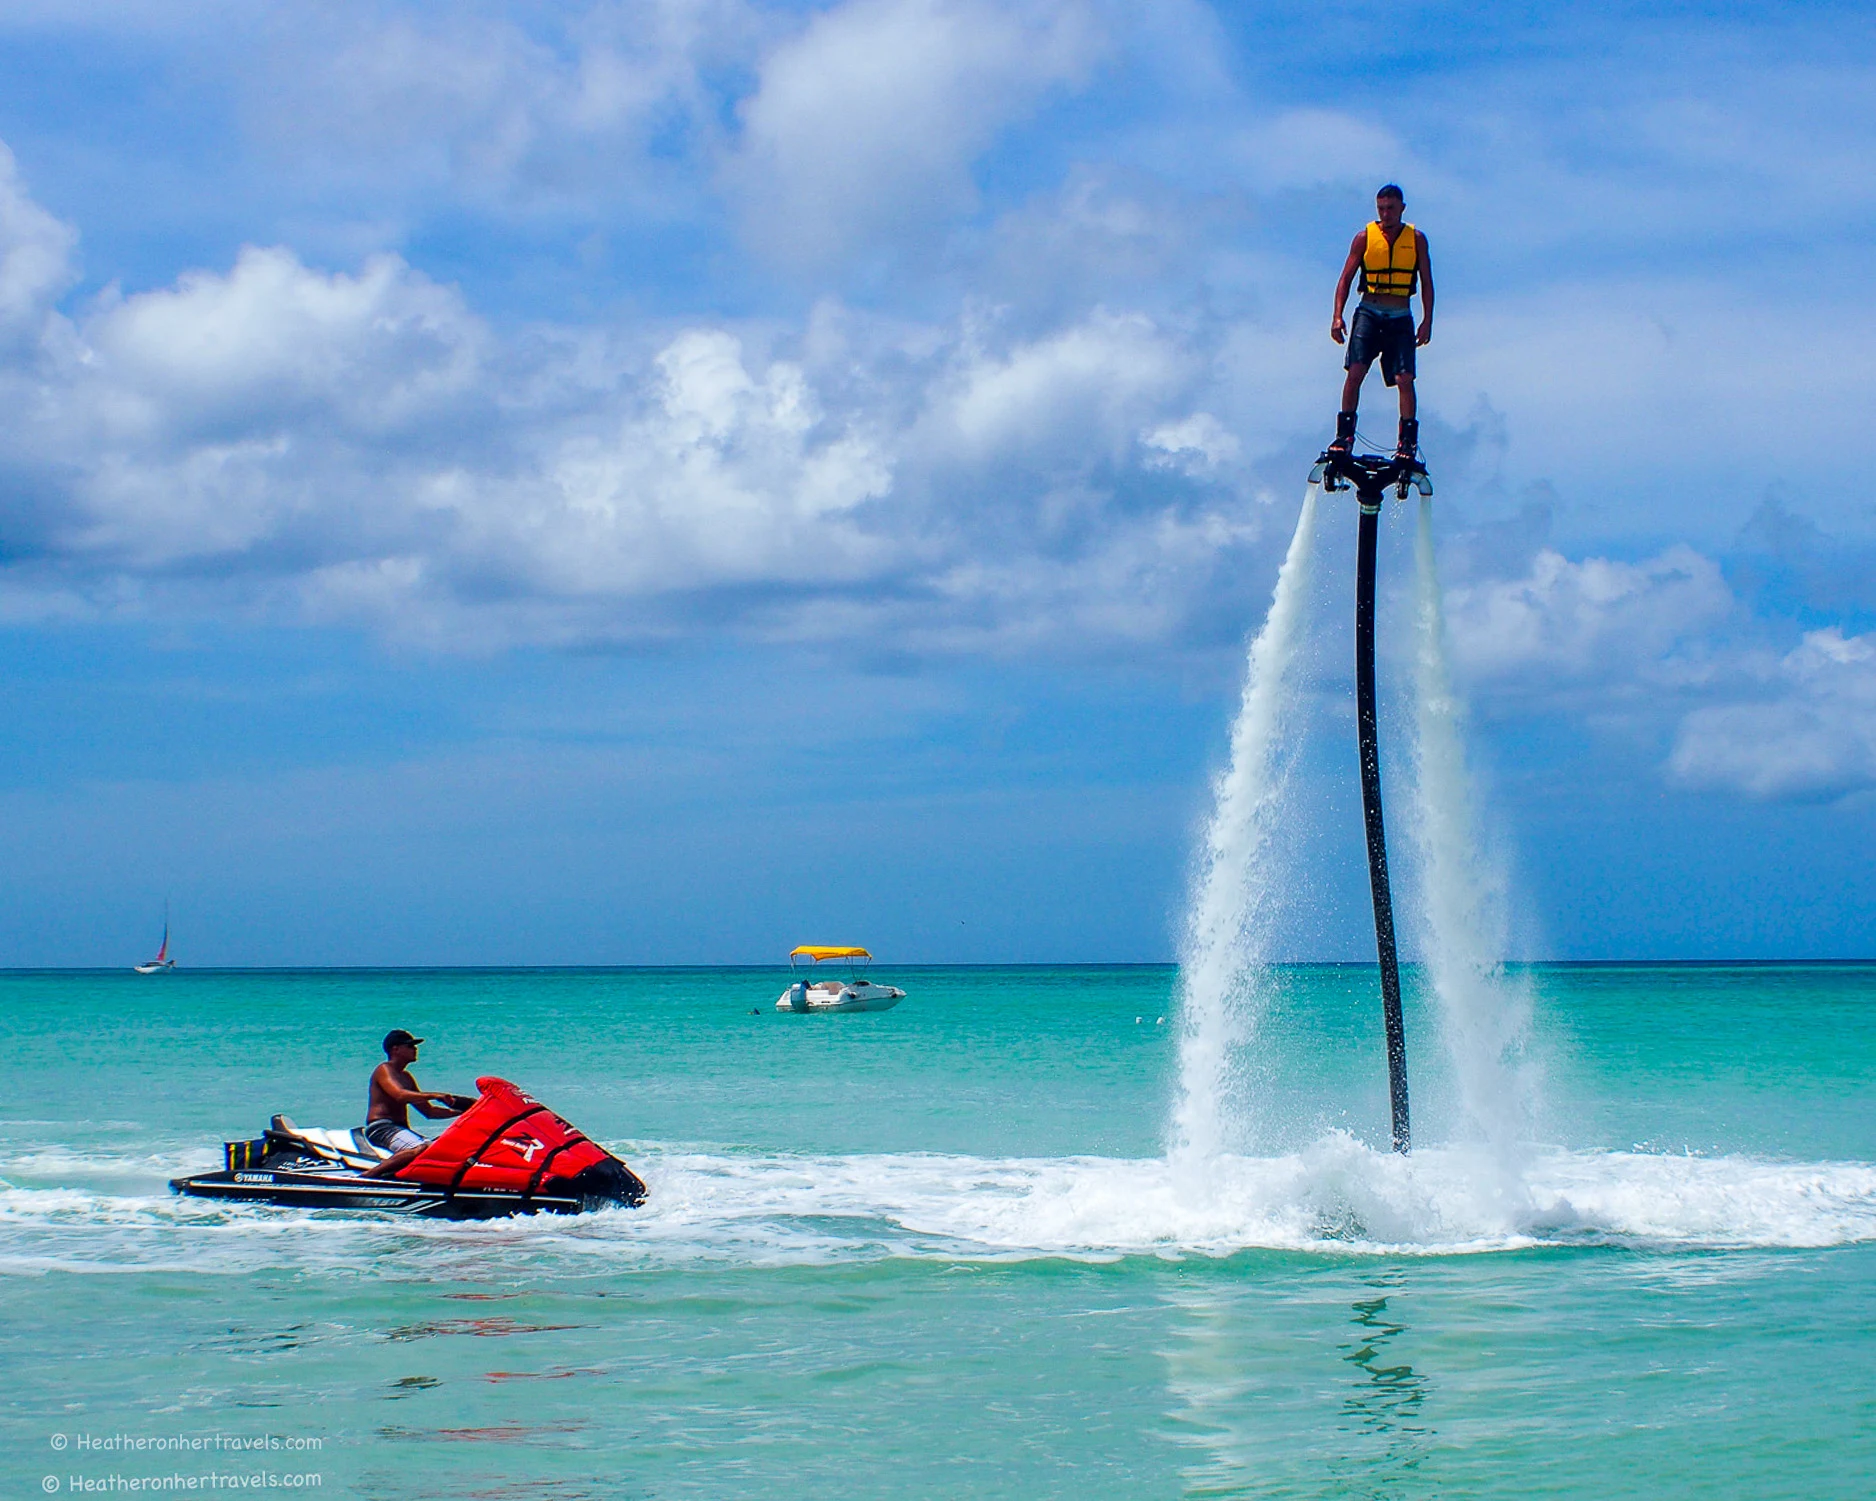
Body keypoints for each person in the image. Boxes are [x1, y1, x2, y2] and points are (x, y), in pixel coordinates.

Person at [1327, 184, 1434, 464]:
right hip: (1369, 311)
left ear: (1402, 209)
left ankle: (1407, 442)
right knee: (1356, 371)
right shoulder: (1364, 238)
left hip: (1400, 315)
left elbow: (1427, 282)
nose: (1386, 214)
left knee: (1404, 378)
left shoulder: (1417, 239)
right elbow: (1345, 279)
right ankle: (1344, 436)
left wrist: (1427, 321)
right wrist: (1337, 316)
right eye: (1381, 209)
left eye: (1391, 209)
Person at [360, 1030, 475, 1179]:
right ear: (395, 1049)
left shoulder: (406, 1077)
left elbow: (429, 1112)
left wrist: (466, 1112)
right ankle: (369, 1175)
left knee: (441, 1148)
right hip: (382, 1128)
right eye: (410, 1046)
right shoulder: (384, 1069)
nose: (415, 1049)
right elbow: (400, 1095)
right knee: (420, 1147)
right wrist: (434, 1095)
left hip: (400, 1129)